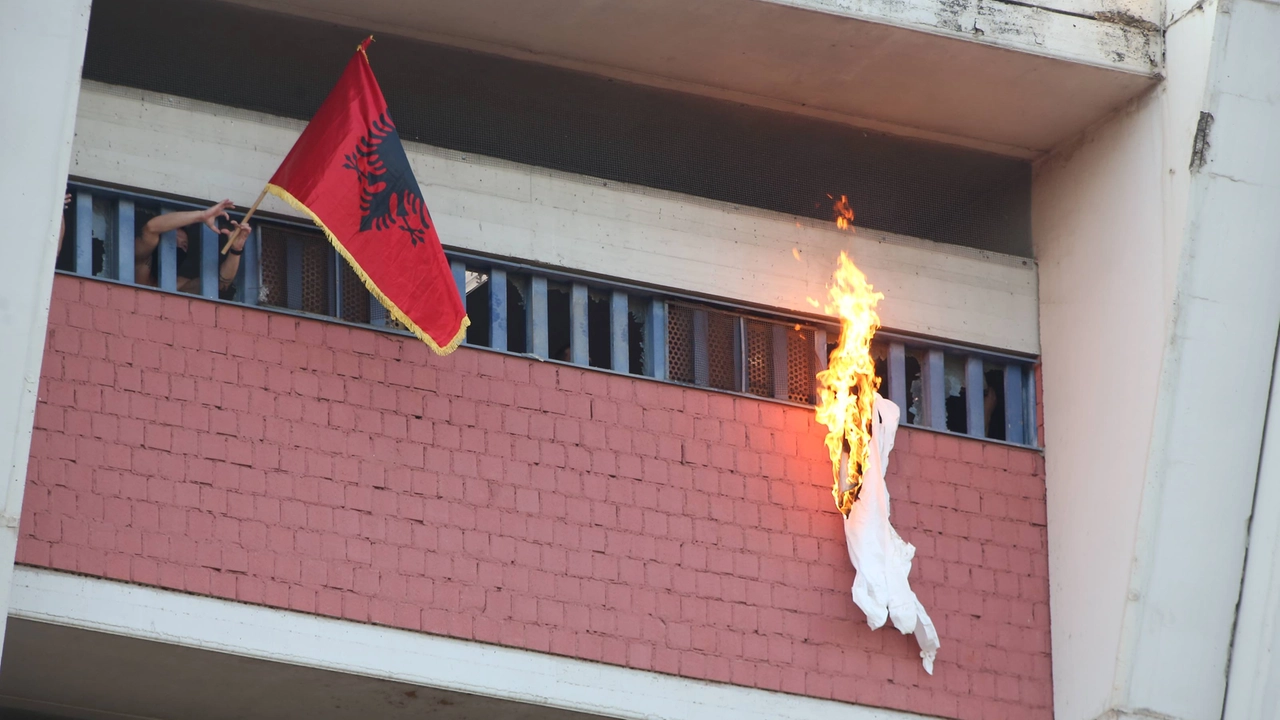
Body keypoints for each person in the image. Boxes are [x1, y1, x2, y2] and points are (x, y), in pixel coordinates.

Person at [135, 199, 250, 299]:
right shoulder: (141, 265)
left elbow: (219, 285)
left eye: (184, 245)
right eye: (174, 241)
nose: (178, 247)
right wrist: (202, 215)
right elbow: (150, 228)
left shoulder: (178, 284)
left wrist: (236, 250)